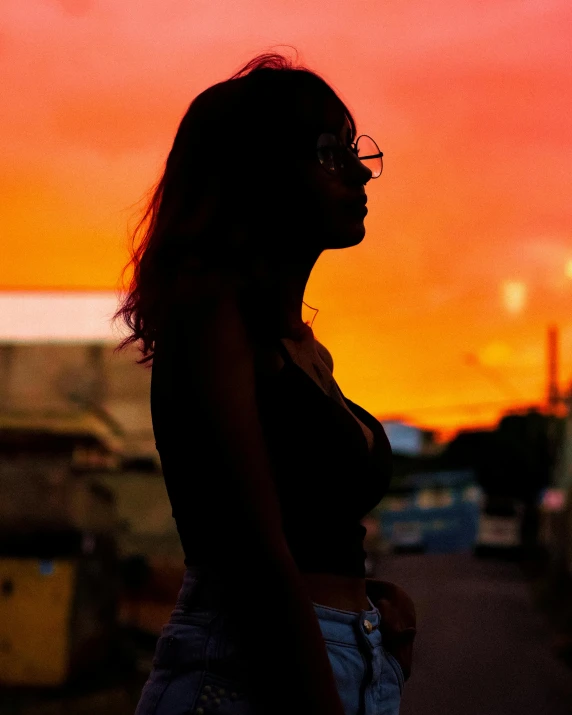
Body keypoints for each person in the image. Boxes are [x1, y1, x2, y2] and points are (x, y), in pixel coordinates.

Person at [113, 51, 415, 715]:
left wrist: (373, 599)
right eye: (331, 153)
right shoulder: (212, 318)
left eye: (354, 149)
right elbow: (253, 555)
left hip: (347, 661)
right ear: (263, 171)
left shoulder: (304, 352)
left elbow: (310, 531)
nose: (361, 171)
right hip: (250, 677)